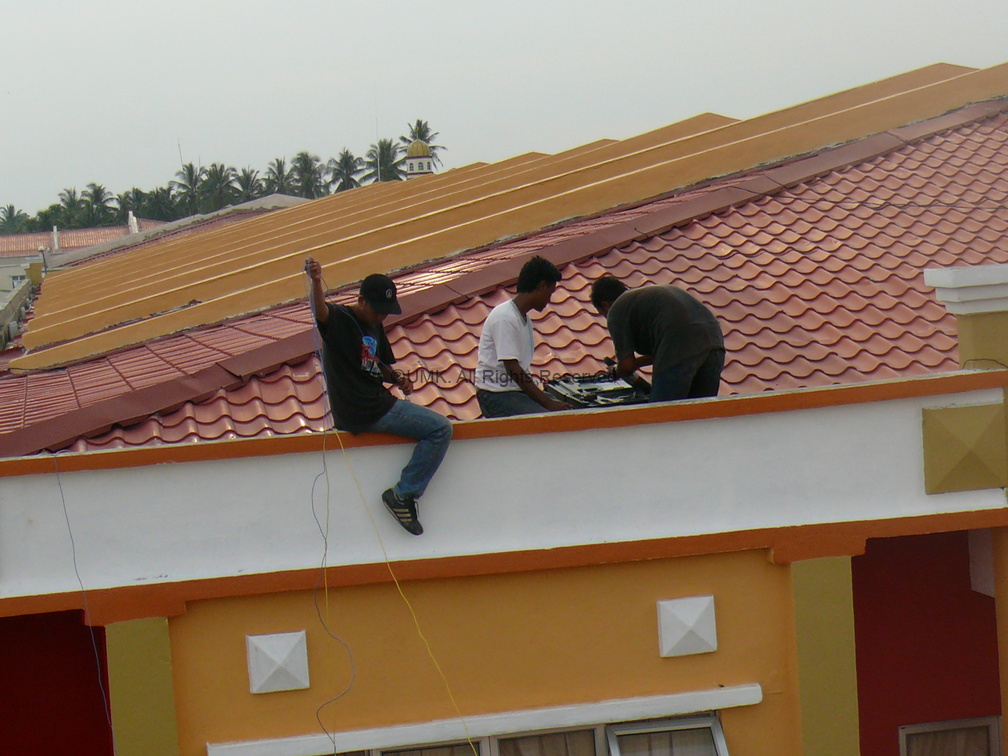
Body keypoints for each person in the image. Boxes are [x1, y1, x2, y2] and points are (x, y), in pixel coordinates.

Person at [305, 258, 451, 536]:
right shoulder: (339, 319)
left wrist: (397, 378)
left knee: (436, 426)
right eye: (378, 311)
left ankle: (403, 494)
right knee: (440, 429)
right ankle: (402, 494)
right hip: (365, 408)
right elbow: (319, 310)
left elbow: (377, 365)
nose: (381, 317)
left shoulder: (376, 327)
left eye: (385, 313)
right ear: (361, 300)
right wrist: (315, 281)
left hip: (376, 403)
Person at [589, 275, 725, 402]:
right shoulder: (644, 299)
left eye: (603, 314)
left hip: (679, 342)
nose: (606, 318)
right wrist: (637, 363)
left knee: (661, 412)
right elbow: (665, 353)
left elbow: (627, 366)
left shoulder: (617, 309)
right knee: (700, 413)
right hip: (714, 342)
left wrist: (616, 371)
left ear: (605, 305)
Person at [475, 255, 572, 417]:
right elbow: (513, 369)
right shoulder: (505, 317)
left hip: (513, 391)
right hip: (495, 394)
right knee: (550, 419)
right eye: (550, 292)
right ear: (541, 286)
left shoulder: (523, 319)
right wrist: (548, 403)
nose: (549, 299)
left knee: (567, 411)